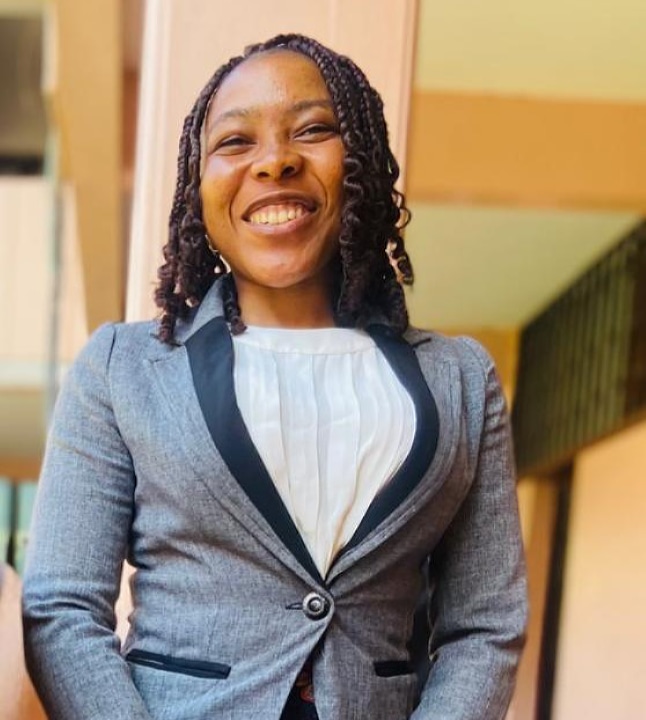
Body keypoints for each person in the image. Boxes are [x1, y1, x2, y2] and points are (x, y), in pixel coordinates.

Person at [22, 33, 527, 720]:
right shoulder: (122, 369)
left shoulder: (461, 380)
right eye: (235, 142)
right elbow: (61, 609)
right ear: (198, 184)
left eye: (312, 130)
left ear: (363, 159)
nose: (275, 161)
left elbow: (485, 627)